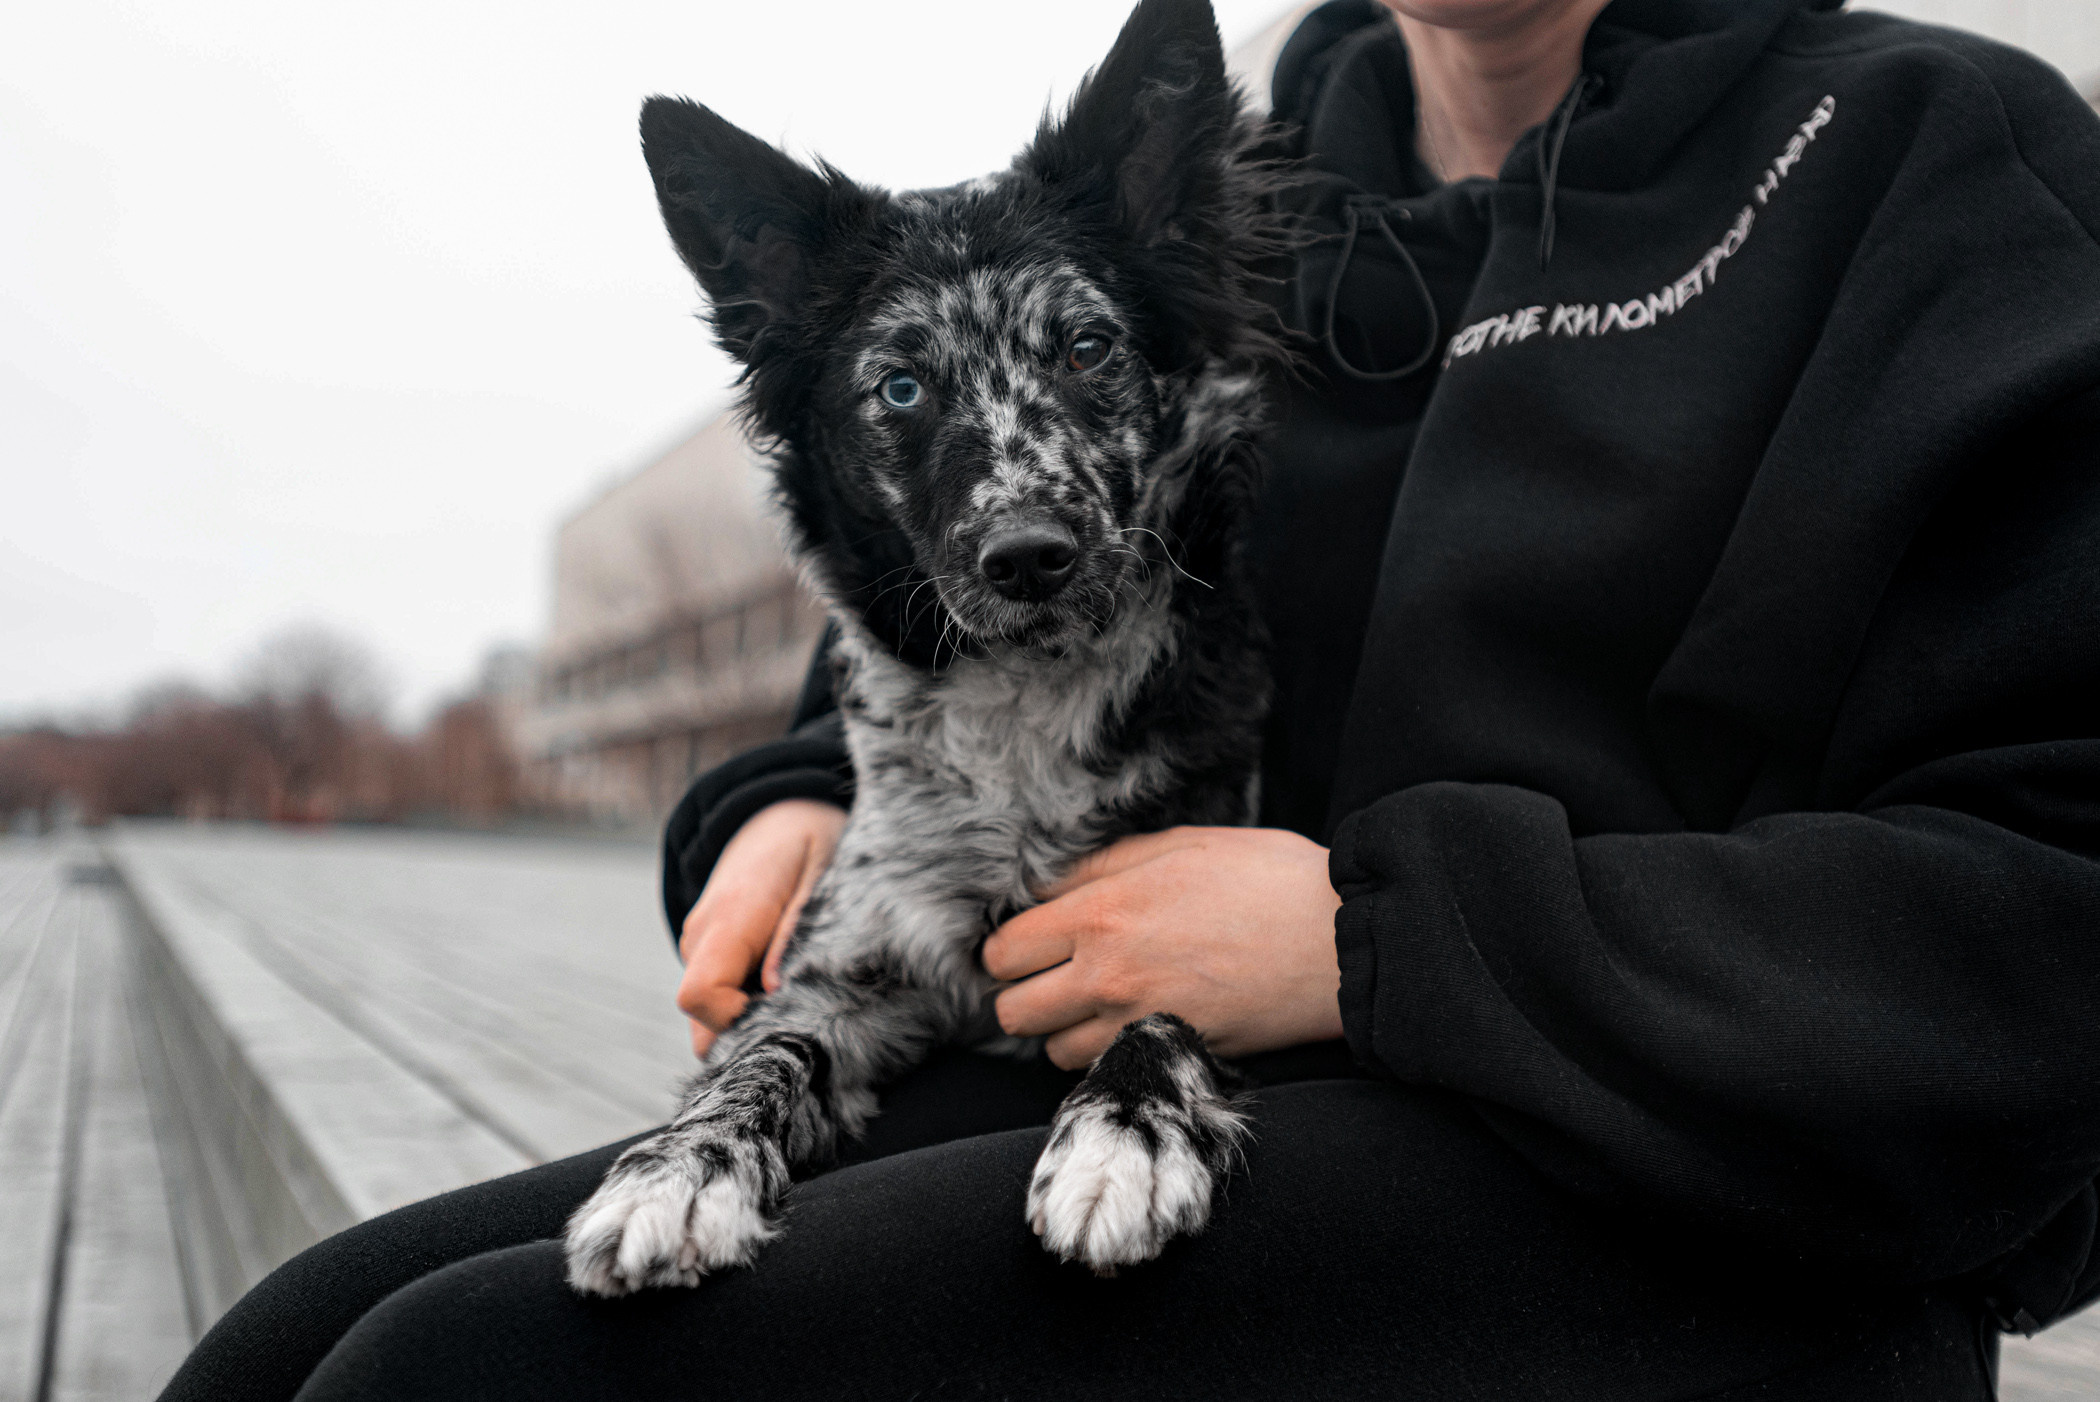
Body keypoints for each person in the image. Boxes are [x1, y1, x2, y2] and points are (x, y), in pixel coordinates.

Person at [160, 0, 2100, 1397]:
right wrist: (781, 789)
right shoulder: (1242, 187)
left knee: (452, 1373)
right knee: (295, 1332)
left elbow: (2048, 946)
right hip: (1192, 1079)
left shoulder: (1936, 162)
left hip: (1702, 1216)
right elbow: (1004, 573)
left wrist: (1374, 935)